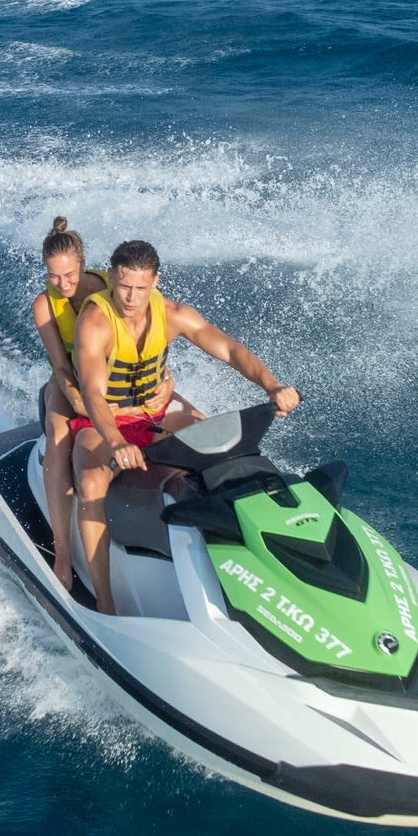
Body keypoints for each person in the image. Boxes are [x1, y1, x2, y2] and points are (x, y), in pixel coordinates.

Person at [72, 240, 300, 615]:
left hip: (155, 414)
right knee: (93, 484)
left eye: (141, 288)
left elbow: (230, 350)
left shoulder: (174, 314)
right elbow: (94, 394)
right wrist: (115, 442)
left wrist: (272, 385)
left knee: (218, 450)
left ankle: (254, 556)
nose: (131, 297)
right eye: (124, 286)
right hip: (105, 422)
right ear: (112, 276)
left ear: (155, 282)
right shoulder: (95, 323)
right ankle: (105, 599)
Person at [29, 218, 107, 591]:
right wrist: (79, 399)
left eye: (69, 274)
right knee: (59, 438)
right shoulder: (45, 304)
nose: (62, 284)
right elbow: (60, 364)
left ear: (82, 263)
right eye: (54, 276)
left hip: (112, 379)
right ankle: (62, 555)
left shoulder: (109, 289)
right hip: (69, 380)